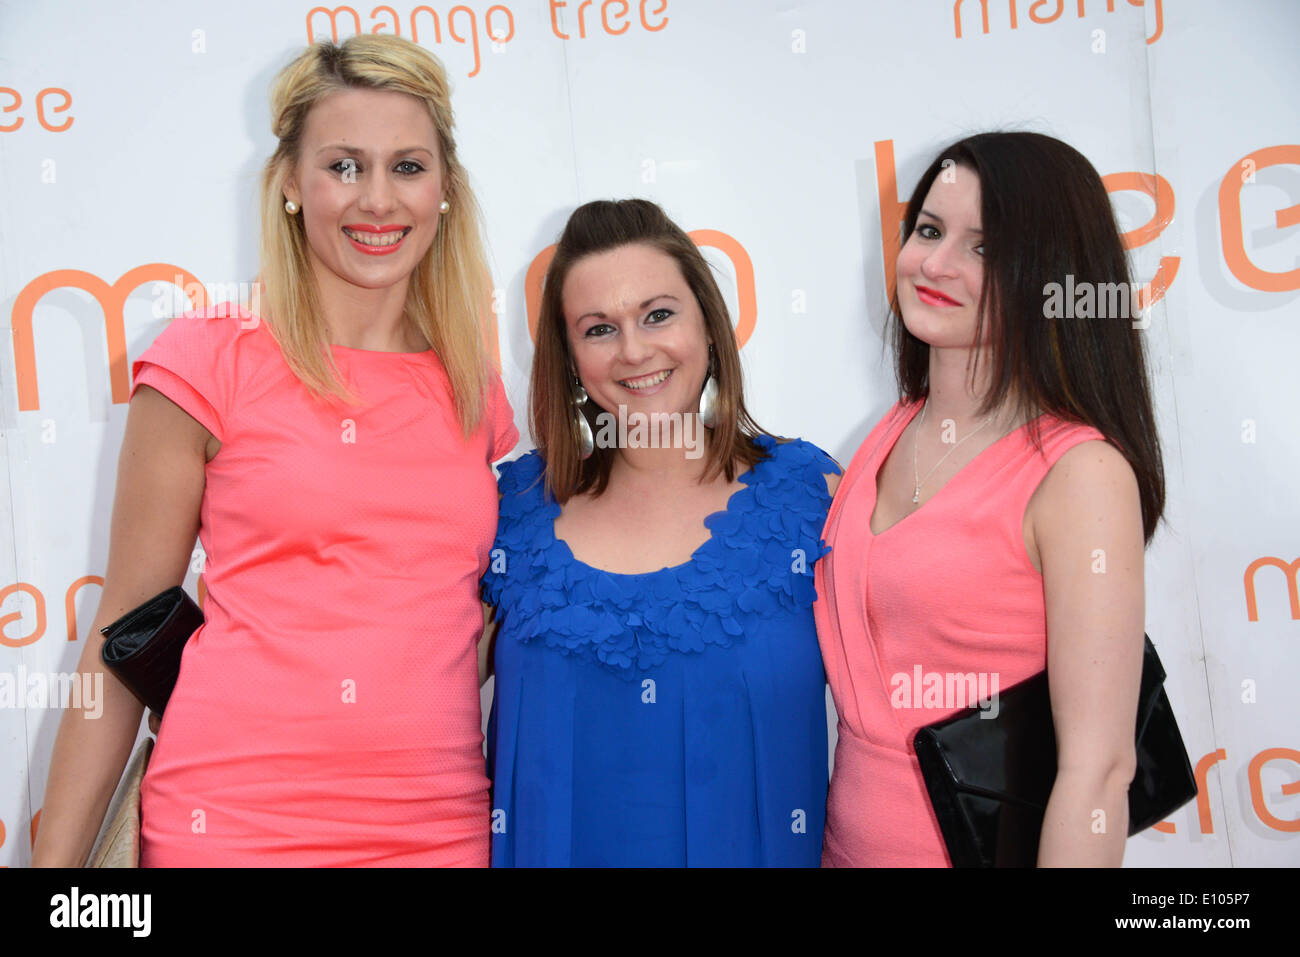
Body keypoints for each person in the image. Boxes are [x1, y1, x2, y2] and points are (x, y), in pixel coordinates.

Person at [33, 34, 516, 867]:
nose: (377, 200)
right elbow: (121, 632)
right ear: (291, 181)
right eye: (343, 166)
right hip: (230, 826)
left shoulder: (472, 380)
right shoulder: (208, 356)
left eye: (407, 166)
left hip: (440, 829)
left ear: (444, 189)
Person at [816, 132, 1165, 867]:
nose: (935, 265)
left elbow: (1098, 773)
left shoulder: (1082, 475)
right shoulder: (892, 428)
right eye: (930, 231)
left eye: (984, 247)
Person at [480, 199, 839, 866]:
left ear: (710, 325)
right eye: (598, 328)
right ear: (567, 358)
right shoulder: (511, 511)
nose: (634, 350)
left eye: (659, 314)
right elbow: (414, 707)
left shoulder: (813, 498)